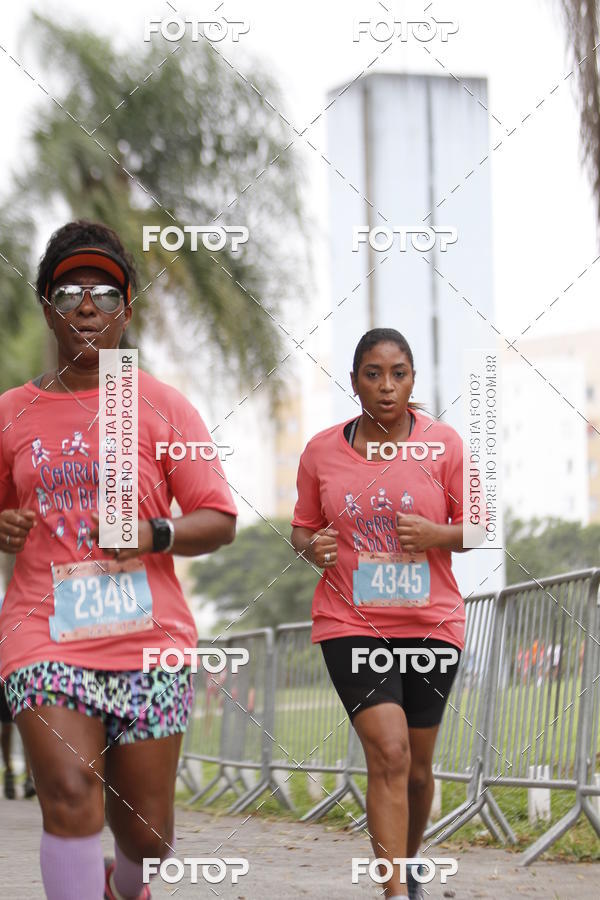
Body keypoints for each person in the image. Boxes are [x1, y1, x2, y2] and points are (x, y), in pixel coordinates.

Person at [0, 220, 237, 899]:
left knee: (149, 836)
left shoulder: (163, 407)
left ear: (126, 310)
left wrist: (154, 534)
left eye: (104, 292)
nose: (85, 305)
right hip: (42, 631)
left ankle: (124, 885)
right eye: (69, 290)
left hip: (147, 640)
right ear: (47, 306)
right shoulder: (12, 413)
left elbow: (217, 517)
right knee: (71, 797)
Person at [291, 328, 471, 900]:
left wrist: (436, 532)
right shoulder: (322, 451)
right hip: (351, 620)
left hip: (431, 623)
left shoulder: (444, 445)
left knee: (417, 769)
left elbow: (480, 527)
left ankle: (408, 864)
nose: (386, 386)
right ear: (354, 382)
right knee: (388, 751)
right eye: (373, 373)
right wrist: (309, 545)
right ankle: (394, 892)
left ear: (413, 380)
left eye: (398, 373)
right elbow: (301, 526)